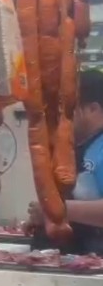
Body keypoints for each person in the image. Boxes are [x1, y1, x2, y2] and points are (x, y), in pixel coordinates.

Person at [29, 69, 103, 251]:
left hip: (91, 266)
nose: (63, 117)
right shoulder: (72, 148)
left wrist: (55, 210)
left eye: (70, 109)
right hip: (61, 261)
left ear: (93, 109)